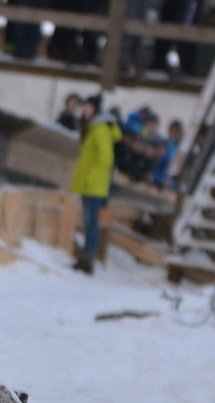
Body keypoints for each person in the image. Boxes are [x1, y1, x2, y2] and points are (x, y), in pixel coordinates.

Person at [70, 93, 121, 274]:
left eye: (89, 107)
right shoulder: (94, 128)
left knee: (92, 223)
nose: (85, 110)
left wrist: (91, 178)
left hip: (94, 186)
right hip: (91, 185)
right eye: (85, 106)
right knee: (89, 222)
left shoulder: (100, 129)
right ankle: (85, 258)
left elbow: (106, 158)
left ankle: (88, 260)